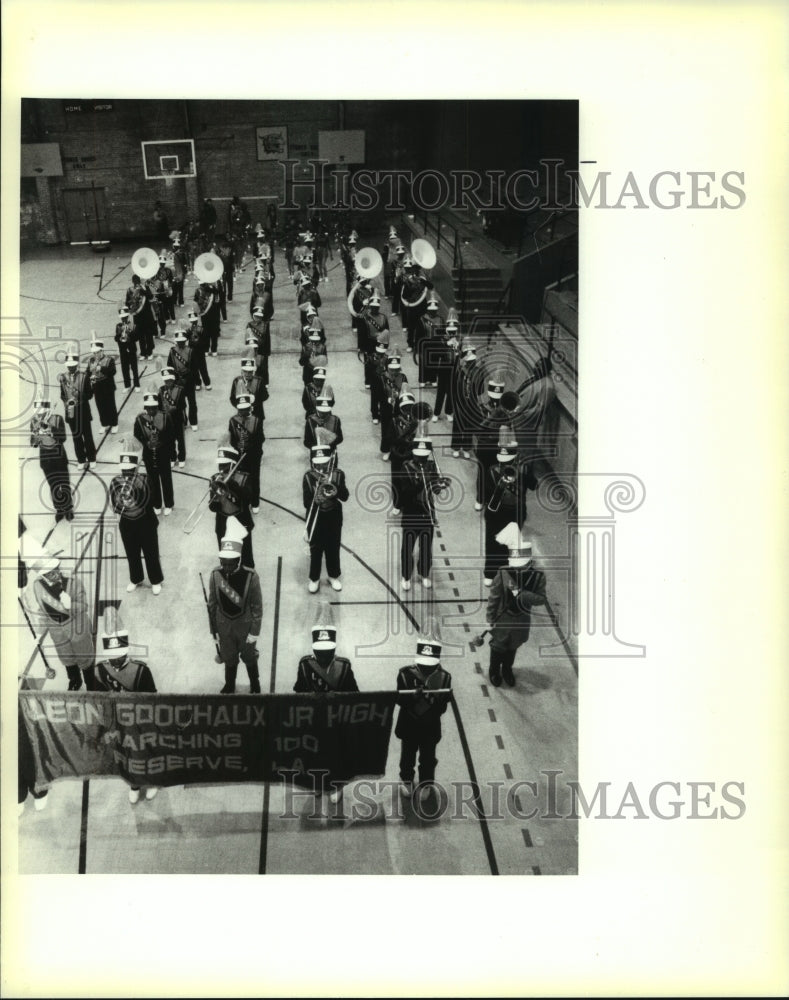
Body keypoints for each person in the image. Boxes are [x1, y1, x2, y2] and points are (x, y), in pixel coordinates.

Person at [294, 601, 358, 803]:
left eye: (327, 652)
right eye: (320, 652)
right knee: (314, 754)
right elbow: (298, 692)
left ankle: (336, 784)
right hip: (314, 721)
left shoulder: (344, 667)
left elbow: (355, 694)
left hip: (336, 722)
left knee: (336, 754)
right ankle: (317, 782)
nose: (323, 656)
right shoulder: (305, 665)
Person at [95, 607, 158, 803]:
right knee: (126, 755)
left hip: (141, 721)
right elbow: (99, 700)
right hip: (119, 723)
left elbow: (152, 701)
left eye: (119, 657)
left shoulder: (141, 671)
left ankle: (152, 780)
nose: (115, 661)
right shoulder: (99, 671)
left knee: (147, 752)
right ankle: (134, 783)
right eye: (112, 658)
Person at [395, 616, 452, 804]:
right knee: (407, 757)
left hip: (430, 729)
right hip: (409, 726)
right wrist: (413, 697)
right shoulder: (404, 674)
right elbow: (399, 700)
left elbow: (443, 708)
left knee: (428, 759)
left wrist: (433, 698)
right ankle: (406, 779)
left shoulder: (444, 678)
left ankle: (426, 783)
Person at [485, 525, 547, 687]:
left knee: (513, 646)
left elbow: (541, 599)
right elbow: (494, 597)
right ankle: (493, 670)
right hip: (503, 618)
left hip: (521, 619)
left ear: (528, 563)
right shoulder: (504, 572)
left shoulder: (538, 577)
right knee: (498, 646)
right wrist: (490, 617)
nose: (517, 569)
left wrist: (522, 594)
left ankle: (507, 669)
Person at [22, 554, 95, 690]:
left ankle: (91, 683)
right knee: (66, 657)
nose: (56, 574)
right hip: (57, 633)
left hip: (77, 629)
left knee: (85, 657)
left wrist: (70, 605)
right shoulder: (37, 585)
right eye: (50, 573)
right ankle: (75, 680)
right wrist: (39, 632)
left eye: (56, 569)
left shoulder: (73, 582)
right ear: (43, 575)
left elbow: (84, 605)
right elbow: (42, 609)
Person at [207, 520, 262, 695]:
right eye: (224, 562)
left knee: (249, 657)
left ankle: (255, 683)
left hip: (245, 627)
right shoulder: (215, 575)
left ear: (239, 560)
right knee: (229, 658)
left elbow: (257, 608)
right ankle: (230, 684)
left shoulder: (251, 576)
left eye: (231, 563)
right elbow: (212, 605)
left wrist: (254, 633)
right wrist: (214, 630)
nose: (227, 567)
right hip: (224, 627)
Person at [482, 431, 538, 585]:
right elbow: (489, 500)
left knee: (513, 543)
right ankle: (490, 572)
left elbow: (534, 486)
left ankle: (510, 572)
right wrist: (501, 486)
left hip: (516, 513)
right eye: (502, 462)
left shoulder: (523, 469)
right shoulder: (492, 472)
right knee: (493, 543)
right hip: (496, 513)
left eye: (508, 462)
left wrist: (526, 470)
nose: (504, 465)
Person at [108, 443, 163, 595]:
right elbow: (115, 506)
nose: (126, 472)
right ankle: (136, 577)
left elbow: (152, 501)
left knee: (151, 552)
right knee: (131, 553)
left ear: (135, 468)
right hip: (127, 523)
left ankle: (156, 580)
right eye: (124, 469)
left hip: (146, 522)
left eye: (129, 469)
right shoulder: (115, 482)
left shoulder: (145, 479)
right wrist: (122, 500)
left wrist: (138, 490)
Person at [399, 424, 441, 590]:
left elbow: (436, 490)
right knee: (407, 548)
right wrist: (422, 483)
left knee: (426, 548)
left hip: (427, 513)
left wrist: (437, 483)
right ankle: (406, 576)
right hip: (410, 513)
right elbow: (405, 493)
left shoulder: (432, 467)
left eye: (424, 457)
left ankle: (424, 573)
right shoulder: (406, 467)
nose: (422, 460)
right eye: (419, 457)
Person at [303, 443, 349, 593]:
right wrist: (316, 499)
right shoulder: (309, 477)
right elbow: (306, 502)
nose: (321, 467)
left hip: (333, 516)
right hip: (316, 517)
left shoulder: (338, 474)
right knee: (315, 549)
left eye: (324, 464)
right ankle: (314, 578)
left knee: (333, 547)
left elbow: (345, 496)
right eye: (318, 464)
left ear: (330, 461)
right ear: (312, 462)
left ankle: (333, 576)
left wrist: (334, 487)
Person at [209, 444, 255, 567]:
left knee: (246, 556)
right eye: (219, 465)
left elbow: (247, 500)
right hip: (222, 522)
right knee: (225, 556)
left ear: (233, 465)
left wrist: (232, 485)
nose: (220, 469)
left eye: (224, 465)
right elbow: (212, 508)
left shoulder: (245, 478)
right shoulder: (215, 479)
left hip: (241, 520)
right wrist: (216, 497)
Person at [29, 397, 73, 522]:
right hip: (46, 460)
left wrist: (50, 430)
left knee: (64, 483)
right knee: (53, 486)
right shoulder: (34, 421)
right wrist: (35, 435)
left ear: (47, 411)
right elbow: (33, 444)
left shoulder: (58, 419)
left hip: (59, 457)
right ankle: (59, 509)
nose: (40, 415)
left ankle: (68, 508)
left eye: (42, 412)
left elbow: (63, 437)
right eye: (38, 412)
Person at [133, 393, 175, 515]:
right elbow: (137, 437)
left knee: (166, 479)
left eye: (154, 408)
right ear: (145, 407)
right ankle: (157, 503)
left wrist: (163, 443)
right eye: (148, 408)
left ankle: (169, 503)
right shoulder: (140, 420)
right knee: (153, 480)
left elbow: (171, 436)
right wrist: (147, 443)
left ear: (157, 407)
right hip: (149, 455)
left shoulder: (166, 417)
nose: (151, 411)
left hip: (163, 453)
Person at [58, 343, 96, 470]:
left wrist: (79, 395)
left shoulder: (84, 377)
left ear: (77, 365)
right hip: (71, 412)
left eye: (73, 366)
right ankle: (81, 459)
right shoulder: (63, 378)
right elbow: (62, 394)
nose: (71, 369)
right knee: (76, 437)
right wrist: (67, 401)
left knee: (88, 436)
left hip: (83, 410)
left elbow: (90, 394)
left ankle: (92, 458)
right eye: (69, 367)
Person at [228, 393, 264, 514]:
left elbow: (261, 439)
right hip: (239, 455)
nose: (243, 411)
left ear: (250, 408)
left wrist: (249, 444)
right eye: (240, 409)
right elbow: (232, 439)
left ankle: (255, 502)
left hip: (254, 455)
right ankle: (245, 501)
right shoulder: (233, 421)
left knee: (254, 478)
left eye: (245, 408)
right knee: (241, 479)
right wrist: (237, 445)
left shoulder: (257, 420)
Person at [168, 328, 200, 430]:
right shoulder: (172, 351)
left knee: (192, 403)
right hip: (177, 381)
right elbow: (170, 366)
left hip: (189, 380)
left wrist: (193, 380)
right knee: (180, 404)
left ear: (185, 341)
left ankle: (194, 422)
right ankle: (183, 421)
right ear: (176, 341)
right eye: (179, 342)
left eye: (182, 341)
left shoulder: (190, 351)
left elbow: (195, 368)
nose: (181, 343)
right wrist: (176, 379)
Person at [86, 334, 118, 433]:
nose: (95, 354)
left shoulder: (109, 359)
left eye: (97, 352)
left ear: (102, 351)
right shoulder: (91, 360)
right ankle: (104, 423)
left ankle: (114, 424)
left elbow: (113, 372)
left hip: (107, 386)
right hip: (97, 386)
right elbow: (88, 371)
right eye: (94, 353)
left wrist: (102, 368)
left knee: (110, 405)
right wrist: (89, 377)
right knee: (100, 406)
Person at [157, 364, 187, 467]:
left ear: (173, 379)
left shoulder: (180, 389)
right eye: (166, 381)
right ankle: (172, 457)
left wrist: (174, 408)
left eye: (169, 380)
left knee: (180, 440)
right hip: (167, 420)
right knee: (169, 440)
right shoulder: (161, 391)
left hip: (178, 418)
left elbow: (183, 405)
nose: (168, 383)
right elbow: (159, 406)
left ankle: (182, 457)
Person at [230, 351, 267, 421]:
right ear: (242, 371)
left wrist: (255, 400)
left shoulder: (259, 381)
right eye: (245, 371)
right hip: (242, 414)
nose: (247, 374)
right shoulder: (236, 381)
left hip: (258, 414)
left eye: (250, 371)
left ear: (253, 371)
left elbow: (265, 396)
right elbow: (232, 398)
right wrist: (240, 405)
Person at [126, 274, 156, 360]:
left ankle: (150, 352)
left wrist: (144, 292)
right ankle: (143, 352)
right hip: (138, 316)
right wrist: (131, 306)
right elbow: (127, 303)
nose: (136, 284)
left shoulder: (145, 287)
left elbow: (151, 297)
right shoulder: (130, 290)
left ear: (139, 281)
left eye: (137, 282)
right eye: (135, 282)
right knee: (141, 336)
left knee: (148, 335)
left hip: (147, 315)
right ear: (133, 282)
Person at [304, 389, 343, 453]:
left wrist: (330, 442)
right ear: (317, 410)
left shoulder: (336, 420)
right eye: (321, 412)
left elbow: (340, 438)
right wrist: (315, 446)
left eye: (326, 412)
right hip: (316, 453)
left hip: (331, 451)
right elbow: (306, 441)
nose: (324, 414)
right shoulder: (310, 420)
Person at [114, 306, 140, 392]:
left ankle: (136, 385)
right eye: (122, 318)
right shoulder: (118, 326)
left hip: (131, 349)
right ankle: (127, 385)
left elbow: (137, 337)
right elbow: (116, 338)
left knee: (134, 368)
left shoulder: (133, 325)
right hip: (123, 350)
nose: (123, 319)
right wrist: (120, 334)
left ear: (127, 317)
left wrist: (130, 334)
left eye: (125, 317)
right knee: (124, 369)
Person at [184, 309, 211, 392]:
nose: (193, 323)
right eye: (192, 321)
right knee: (194, 369)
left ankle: (207, 383)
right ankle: (197, 383)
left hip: (200, 351)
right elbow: (185, 338)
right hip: (192, 351)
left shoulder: (202, 329)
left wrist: (206, 350)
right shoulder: (188, 330)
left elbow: (207, 340)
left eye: (195, 321)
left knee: (203, 368)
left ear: (197, 320)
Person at [171, 237, 187, 307]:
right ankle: (181, 302)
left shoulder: (174, 254)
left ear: (174, 247)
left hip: (176, 273)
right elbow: (185, 264)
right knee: (180, 289)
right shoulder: (182, 253)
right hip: (181, 273)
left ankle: (174, 301)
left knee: (174, 288)